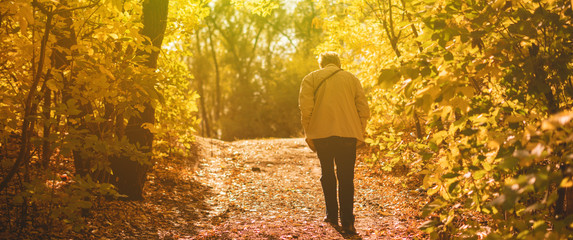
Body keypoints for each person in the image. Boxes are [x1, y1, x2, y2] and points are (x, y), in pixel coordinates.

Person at [298, 51, 370, 234]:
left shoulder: (311, 78)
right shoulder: (352, 79)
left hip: (322, 135)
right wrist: (359, 131)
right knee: (346, 177)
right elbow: (363, 108)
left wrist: (309, 133)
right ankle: (348, 222)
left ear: (322, 64)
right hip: (348, 135)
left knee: (327, 173)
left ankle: (331, 215)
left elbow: (306, 109)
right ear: (338, 63)